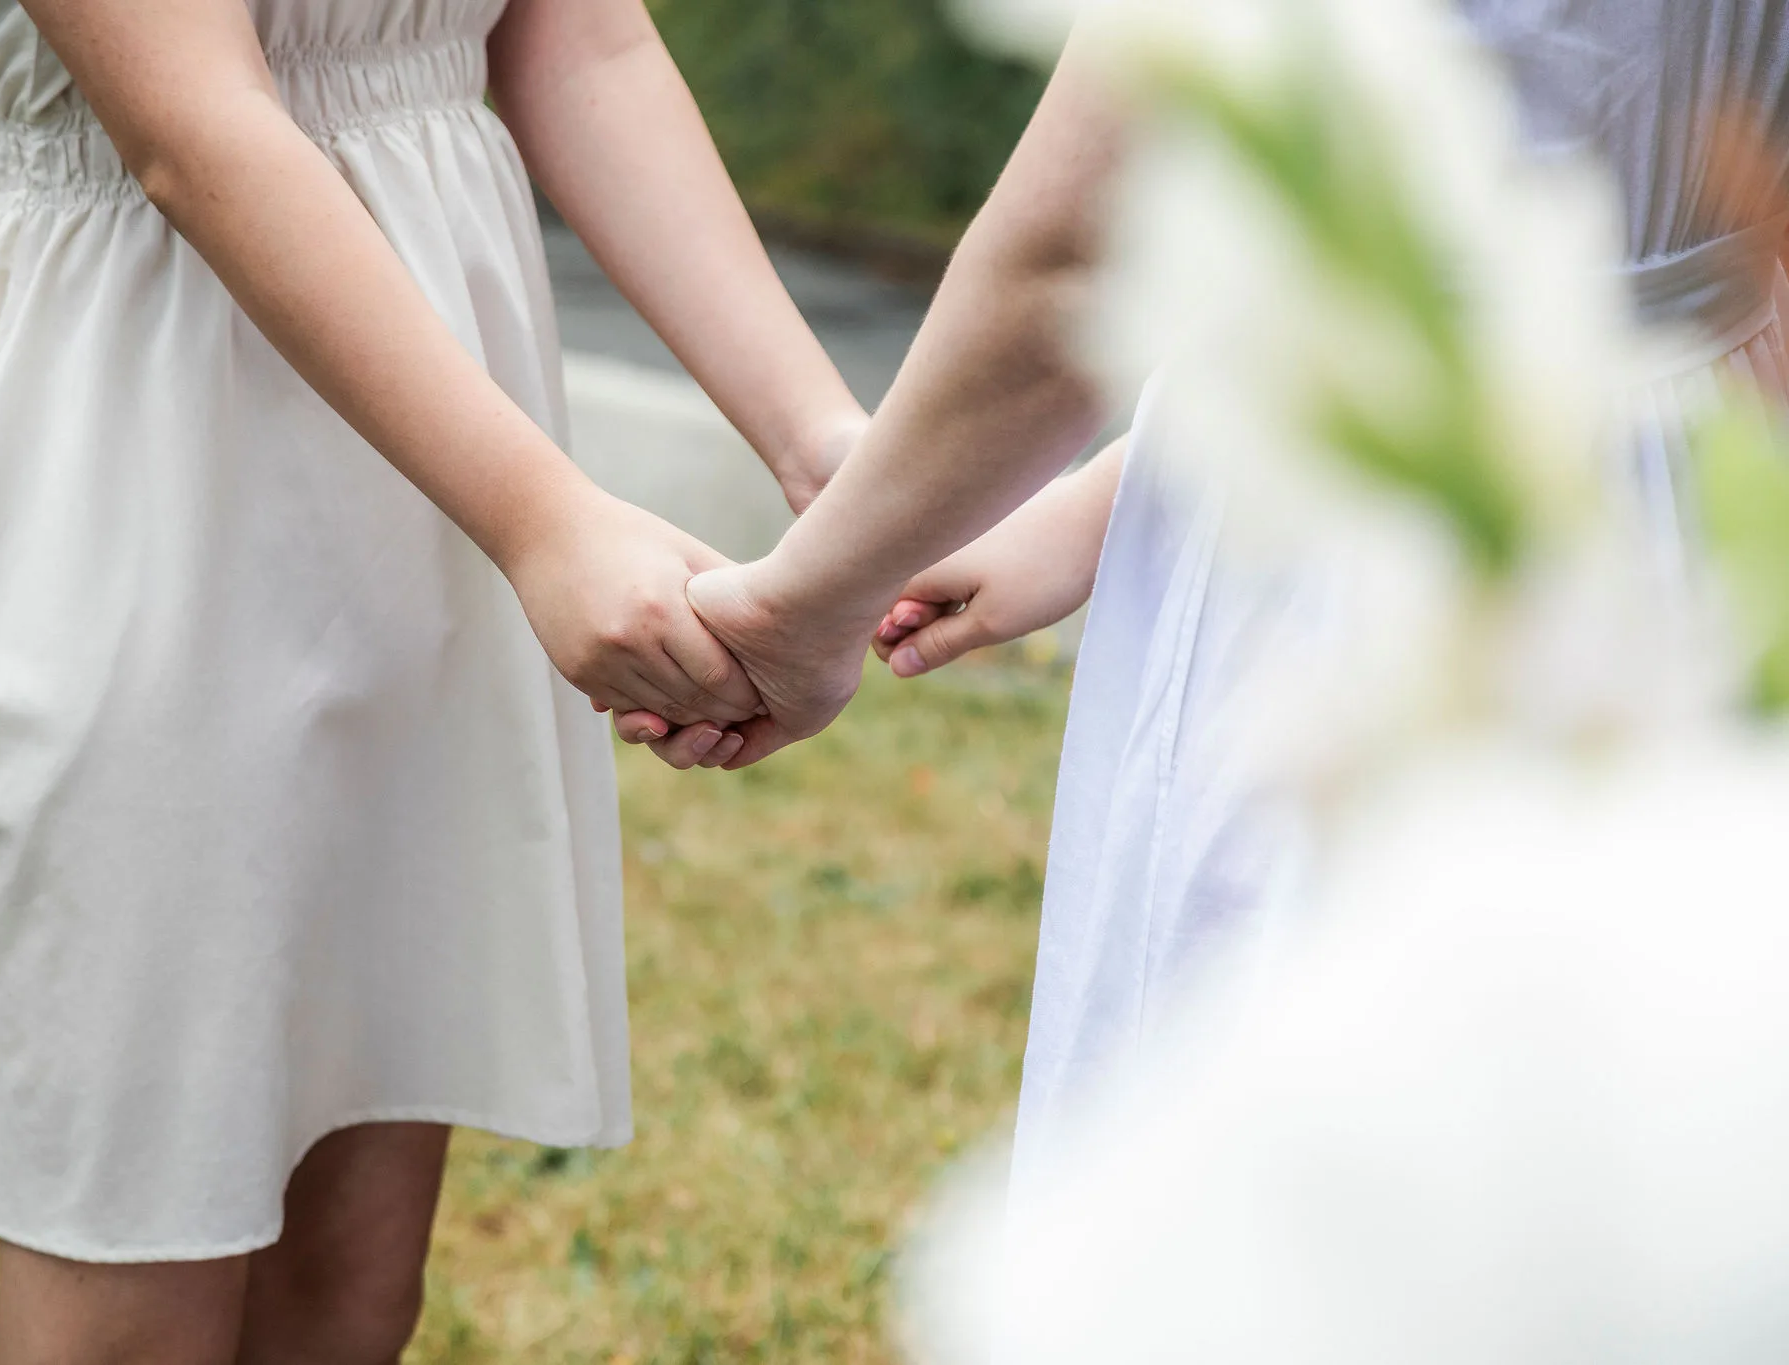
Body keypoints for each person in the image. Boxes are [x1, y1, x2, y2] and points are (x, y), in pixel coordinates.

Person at [0, 0, 868, 1358]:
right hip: (149, 449)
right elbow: (195, 132)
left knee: (352, 1256)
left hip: (429, 482)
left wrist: (826, 449)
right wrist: (540, 520)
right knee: (139, 1247)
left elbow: (582, 38)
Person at [628, 0, 1789, 1207]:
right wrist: (1112, 495)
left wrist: (799, 612)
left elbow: (1074, 257)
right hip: (1715, 506)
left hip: (1373, 569)